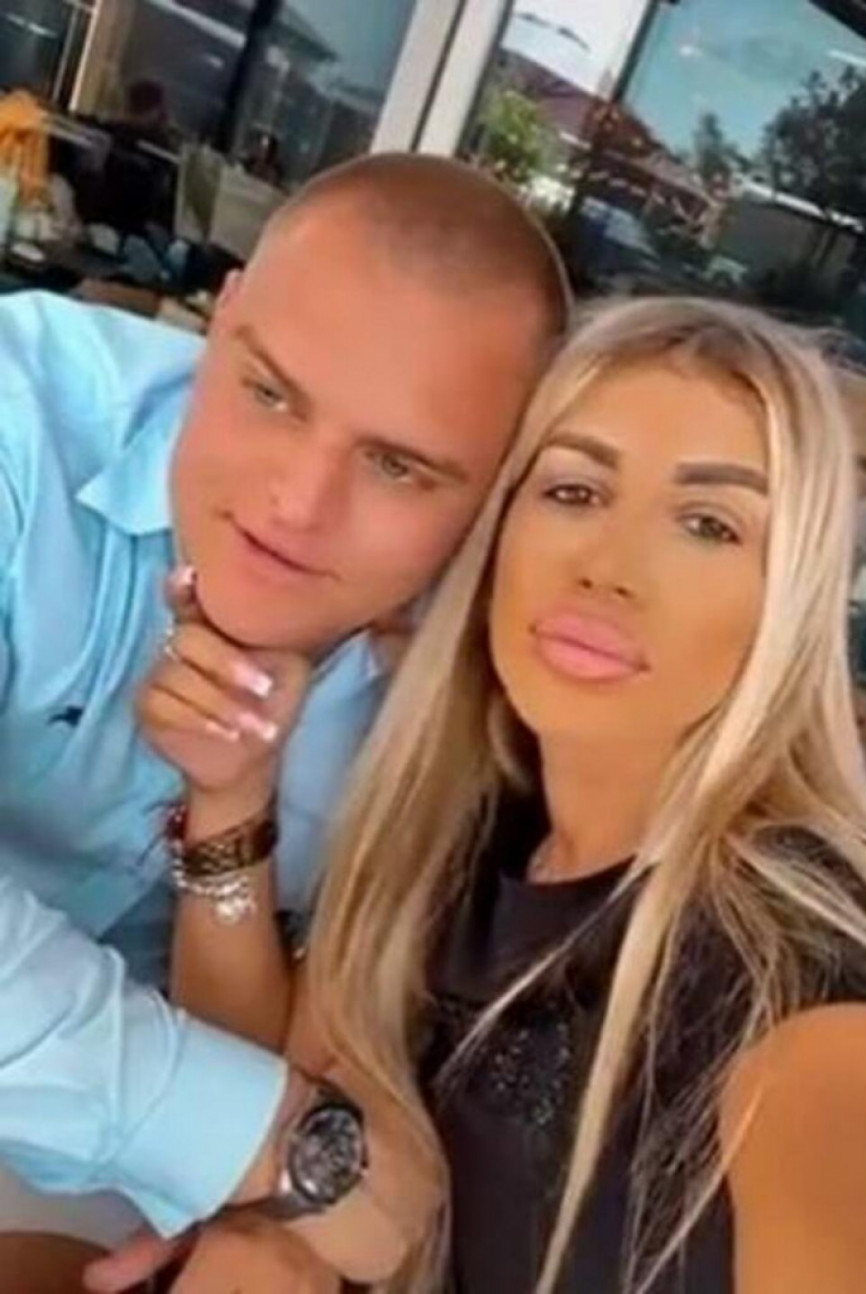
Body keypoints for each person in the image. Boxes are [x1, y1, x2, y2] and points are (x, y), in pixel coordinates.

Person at [111, 297, 866, 1293]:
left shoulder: (804, 996)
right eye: (573, 491)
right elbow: (259, 1085)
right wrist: (230, 798)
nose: (608, 569)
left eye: (709, 525)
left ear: (788, 605)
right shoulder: (482, 824)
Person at [0, 152, 568, 1281]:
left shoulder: (481, 698)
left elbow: (316, 1054)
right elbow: (283, 1130)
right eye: (270, 394)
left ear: (497, 493)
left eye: (397, 466)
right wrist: (265, 1143)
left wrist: (263, 1186)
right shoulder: (24, 420)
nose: (296, 505)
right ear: (222, 318)